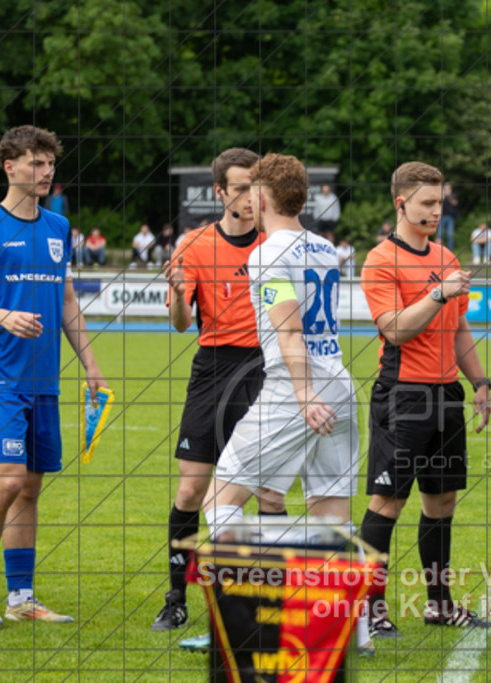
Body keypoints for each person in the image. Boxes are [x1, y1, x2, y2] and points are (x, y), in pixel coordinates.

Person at [201, 152, 371, 652]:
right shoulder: (324, 246)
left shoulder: (266, 253)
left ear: (262, 196)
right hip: (338, 379)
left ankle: (247, 623)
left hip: (297, 387)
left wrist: (301, 395)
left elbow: (290, 329)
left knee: (220, 502)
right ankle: (353, 634)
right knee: (332, 516)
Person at [0, 125, 107, 627]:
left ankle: (21, 598)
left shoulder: (56, 228)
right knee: (6, 482)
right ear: (9, 167)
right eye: (35, 163)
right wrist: (2, 317)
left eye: (49, 164)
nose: (45, 172)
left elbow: (68, 300)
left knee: (30, 487)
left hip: (42, 382)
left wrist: (90, 364)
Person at [151, 147, 286, 634]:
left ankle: (269, 601)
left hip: (266, 371)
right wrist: (179, 290)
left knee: (270, 494)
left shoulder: (278, 244)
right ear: (220, 192)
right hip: (212, 368)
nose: (251, 196)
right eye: (242, 187)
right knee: (191, 490)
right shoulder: (193, 244)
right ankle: (175, 598)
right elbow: (182, 323)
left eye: (257, 185)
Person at [359, 161, 491, 638]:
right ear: (402, 203)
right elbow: (393, 329)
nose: (438, 211)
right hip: (403, 395)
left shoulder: (449, 258)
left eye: (440, 202)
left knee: (442, 503)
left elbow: (458, 329)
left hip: (446, 396)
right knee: (387, 502)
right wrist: (438, 292)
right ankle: (370, 608)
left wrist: (479, 383)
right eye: (428, 203)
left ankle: (440, 605)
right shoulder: (379, 260)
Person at [439, 182, 459, 250]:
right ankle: (439, 250)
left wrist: (449, 196)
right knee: (440, 235)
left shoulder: (453, 195)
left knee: (450, 235)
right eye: (445, 187)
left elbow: (455, 203)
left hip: (450, 217)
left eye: (448, 187)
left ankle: (450, 251)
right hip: (441, 217)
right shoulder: (441, 195)